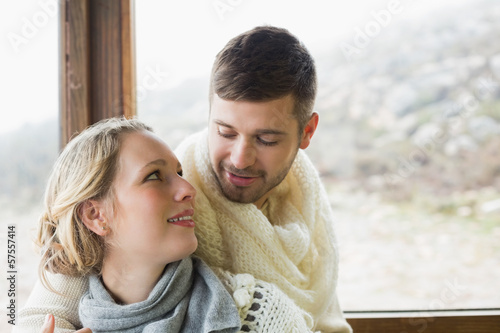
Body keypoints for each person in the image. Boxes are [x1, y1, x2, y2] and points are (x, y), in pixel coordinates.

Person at [17, 26, 352, 332]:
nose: (239, 158)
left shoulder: (305, 208)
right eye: (225, 132)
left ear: (306, 132)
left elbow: (328, 319)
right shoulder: (162, 201)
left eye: (266, 139)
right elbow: (53, 298)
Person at [16, 117, 313, 333]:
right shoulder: (59, 319)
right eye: (155, 176)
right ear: (96, 216)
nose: (188, 189)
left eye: (179, 172)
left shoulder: (260, 315)